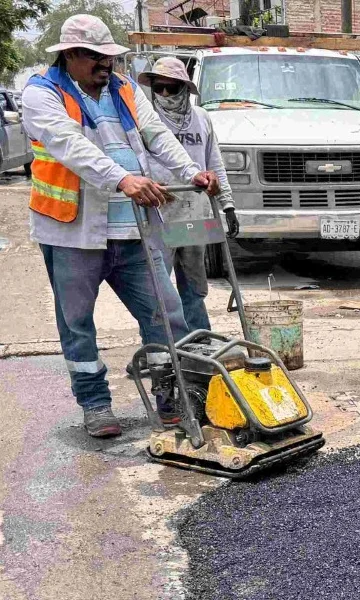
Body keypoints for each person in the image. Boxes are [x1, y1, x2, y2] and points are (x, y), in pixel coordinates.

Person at [23, 15, 221, 437]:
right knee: (76, 322)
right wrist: (122, 178)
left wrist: (192, 170)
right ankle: (95, 404)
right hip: (73, 232)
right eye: (95, 57)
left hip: (134, 229)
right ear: (71, 55)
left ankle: (171, 400)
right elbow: (68, 144)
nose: (105, 65)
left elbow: (157, 135)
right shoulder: (42, 93)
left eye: (109, 57)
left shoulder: (125, 89)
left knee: (166, 315)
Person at [139, 57, 237, 335]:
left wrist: (228, 205)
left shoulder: (201, 118)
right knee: (159, 286)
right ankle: (163, 344)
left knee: (194, 283)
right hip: (160, 212)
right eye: (159, 89)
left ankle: (199, 339)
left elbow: (213, 161)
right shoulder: (145, 121)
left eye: (172, 88)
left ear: (184, 88)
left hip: (194, 211)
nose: (166, 95)